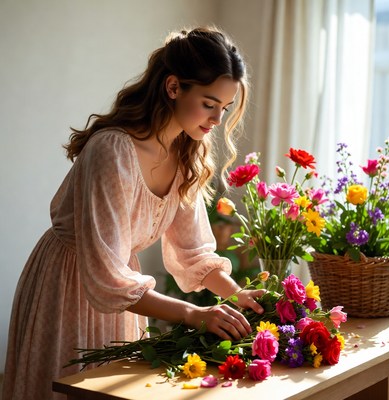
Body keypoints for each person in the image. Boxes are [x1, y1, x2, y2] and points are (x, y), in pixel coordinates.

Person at [3, 26, 265, 400]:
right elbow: (106, 277)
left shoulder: (187, 154)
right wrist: (195, 315)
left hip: (119, 290)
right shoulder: (112, 151)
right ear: (173, 87)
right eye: (209, 104)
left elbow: (194, 253)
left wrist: (237, 295)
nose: (217, 120)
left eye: (224, 108)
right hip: (67, 285)